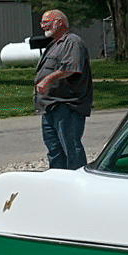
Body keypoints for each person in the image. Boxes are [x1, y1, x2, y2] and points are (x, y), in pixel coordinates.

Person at [34, 9, 93, 170]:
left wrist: (47, 79)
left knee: (71, 148)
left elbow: (71, 68)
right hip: (50, 106)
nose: (42, 26)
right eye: (42, 22)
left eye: (46, 22)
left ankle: (77, 179)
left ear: (59, 22)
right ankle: (58, 180)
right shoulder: (55, 44)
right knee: (54, 151)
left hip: (66, 106)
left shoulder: (72, 42)